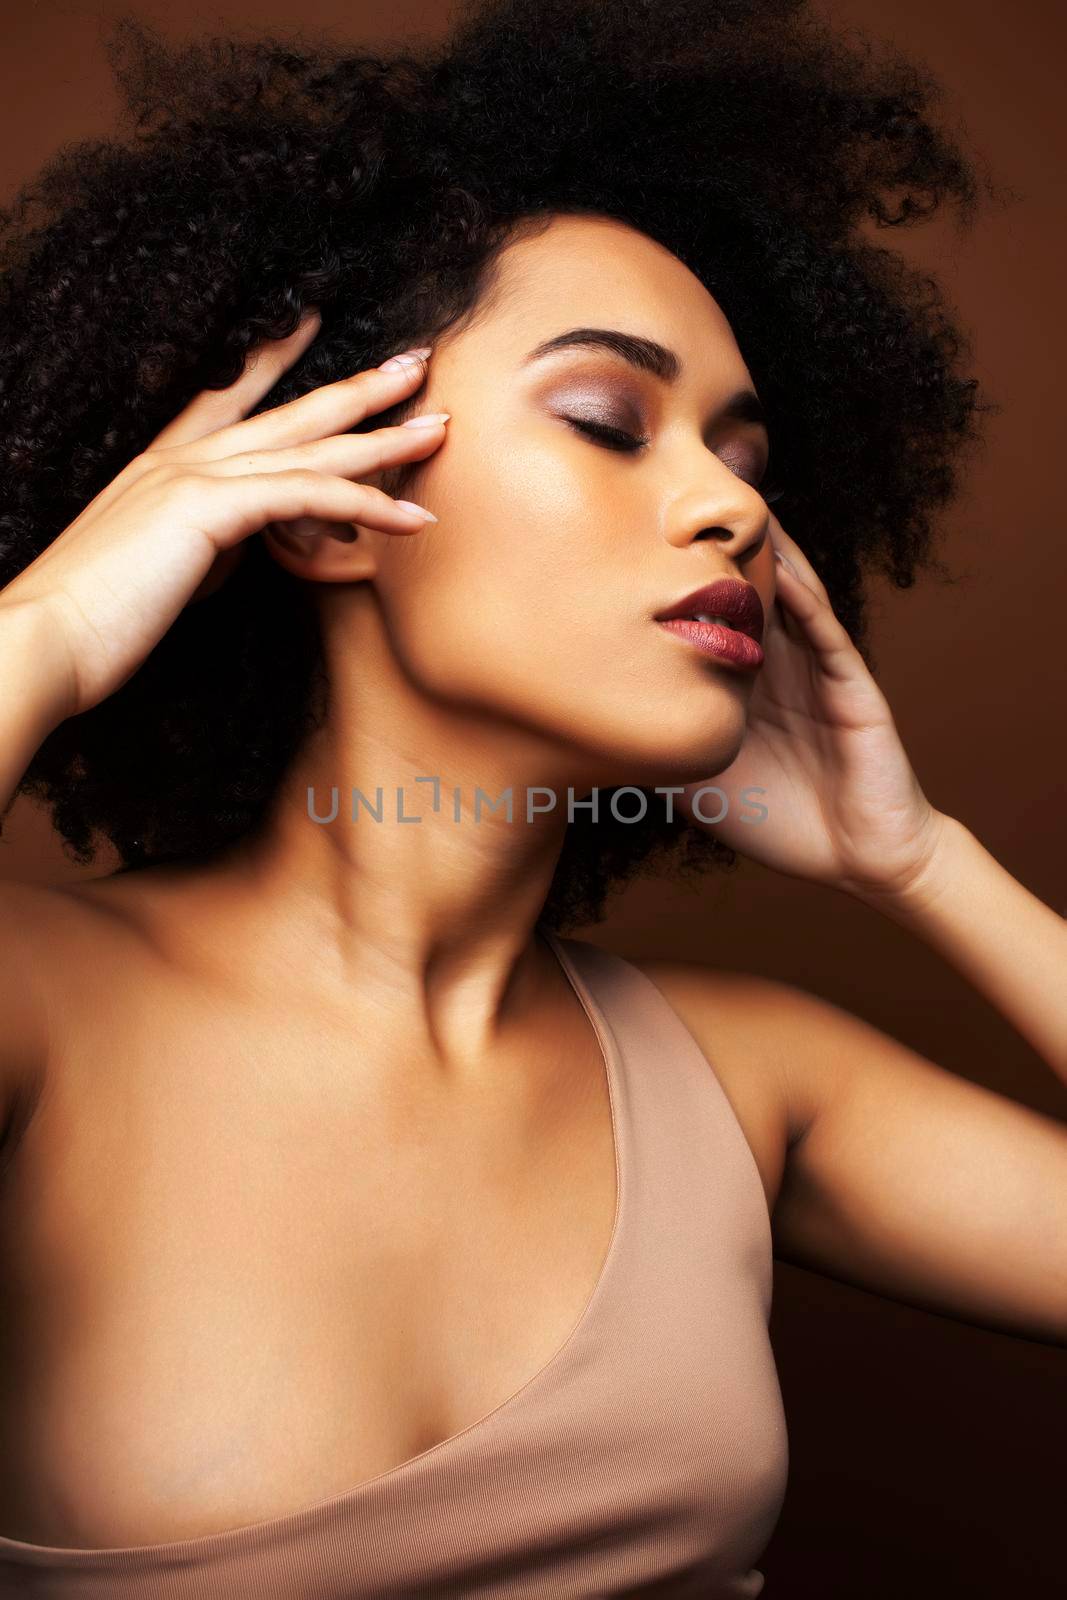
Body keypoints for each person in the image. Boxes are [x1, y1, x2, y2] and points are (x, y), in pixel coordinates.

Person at [0, 0, 1064, 1594]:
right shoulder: (41, 1009)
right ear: (331, 505)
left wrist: (923, 864)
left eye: (744, 457)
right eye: (605, 421)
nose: (730, 509)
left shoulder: (746, 1078)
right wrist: (54, 631)